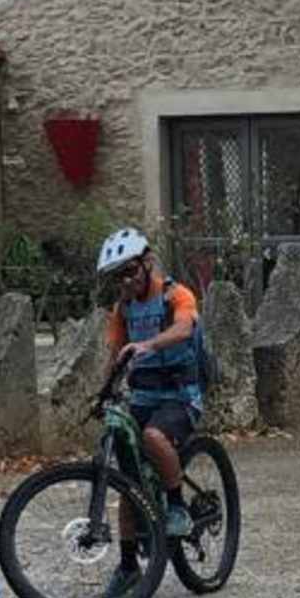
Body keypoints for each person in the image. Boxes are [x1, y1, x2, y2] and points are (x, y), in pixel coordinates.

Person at [91, 226, 204, 557]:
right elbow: (114, 354)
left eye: (129, 272)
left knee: (154, 437)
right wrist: (102, 393)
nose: (126, 282)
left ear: (147, 263)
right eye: (118, 277)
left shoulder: (176, 296)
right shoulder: (122, 310)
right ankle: (127, 565)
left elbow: (184, 328)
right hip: (143, 397)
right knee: (129, 481)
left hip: (180, 396)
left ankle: (177, 506)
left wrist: (148, 345)